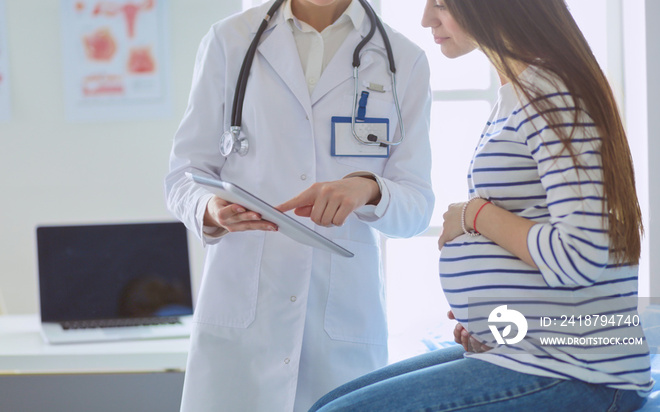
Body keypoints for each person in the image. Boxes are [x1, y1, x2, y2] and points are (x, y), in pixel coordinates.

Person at [308, 0, 654, 410]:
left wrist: (472, 215)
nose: (426, 19)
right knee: (328, 403)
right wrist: (496, 325)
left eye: (440, 4)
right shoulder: (520, 93)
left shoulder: (553, 95)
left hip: (580, 371)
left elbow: (580, 255)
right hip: (535, 350)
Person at [164, 0, 434, 410]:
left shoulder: (403, 60)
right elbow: (183, 175)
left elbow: (416, 206)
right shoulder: (230, 40)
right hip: (242, 314)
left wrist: (368, 189)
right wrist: (210, 208)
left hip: (340, 325)